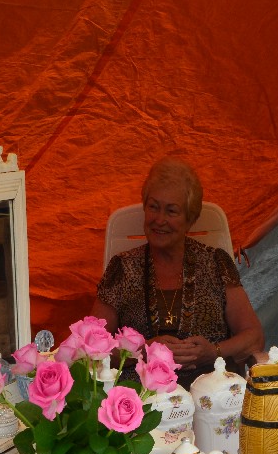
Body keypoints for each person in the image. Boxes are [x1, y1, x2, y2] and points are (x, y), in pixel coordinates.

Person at [93, 157, 264, 387]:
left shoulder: (215, 263)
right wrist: (141, 350)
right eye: (153, 207)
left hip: (211, 394)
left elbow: (254, 336)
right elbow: (92, 347)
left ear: (190, 219)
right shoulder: (123, 268)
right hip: (141, 399)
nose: (159, 220)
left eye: (171, 211)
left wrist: (213, 352)